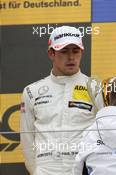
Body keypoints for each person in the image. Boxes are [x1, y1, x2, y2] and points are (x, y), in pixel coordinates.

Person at [20, 26, 96, 175]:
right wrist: (35, 171)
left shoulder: (95, 88)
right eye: (64, 51)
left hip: (83, 167)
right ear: (51, 53)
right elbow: (27, 137)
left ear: (82, 52)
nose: (71, 57)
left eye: (75, 51)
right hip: (45, 169)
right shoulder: (31, 91)